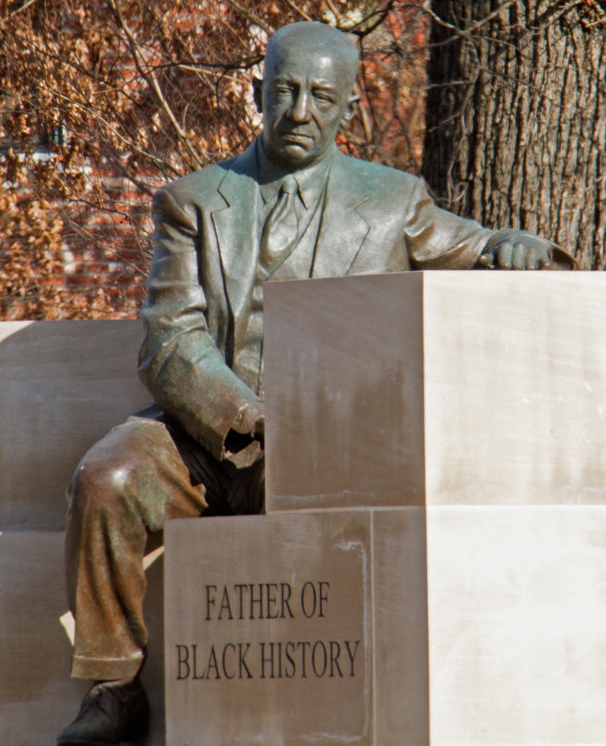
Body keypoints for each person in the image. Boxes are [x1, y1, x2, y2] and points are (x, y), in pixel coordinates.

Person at [56, 20, 568, 746]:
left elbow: (476, 247)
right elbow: (169, 340)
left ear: (349, 108)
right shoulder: (195, 201)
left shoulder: (393, 201)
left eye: (320, 98)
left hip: (323, 442)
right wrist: (244, 417)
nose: (299, 112)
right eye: (285, 91)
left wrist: (517, 248)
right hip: (202, 436)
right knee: (105, 478)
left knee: (329, 487)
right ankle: (114, 691)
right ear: (259, 92)